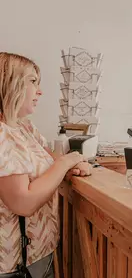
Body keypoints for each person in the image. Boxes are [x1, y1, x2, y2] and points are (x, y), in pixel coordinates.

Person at [0, 52, 92, 277]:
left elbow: (53, 162)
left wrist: (70, 165)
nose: (39, 91)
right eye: (32, 81)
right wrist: (68, 162)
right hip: (13, 265)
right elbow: (23, 201)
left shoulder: (24, 127)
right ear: (9, 82)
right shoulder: (1, 134)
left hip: (38, 254)